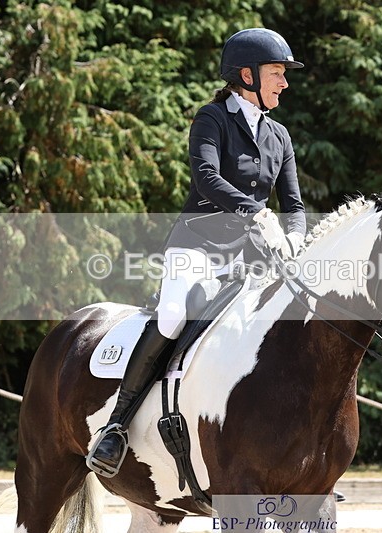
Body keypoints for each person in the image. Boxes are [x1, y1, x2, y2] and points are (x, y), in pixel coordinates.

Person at [87, 28, 307, 477]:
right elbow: (207, 178)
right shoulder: (212, 118)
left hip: (251, 259)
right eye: (277, 73)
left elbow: (295, 204)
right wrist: (255, 212)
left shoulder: (279, 135)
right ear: (247, 75)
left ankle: (297, 453)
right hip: (197, 246)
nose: (285, 83)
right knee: (172, 316)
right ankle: (116, 425)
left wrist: (295, 239)